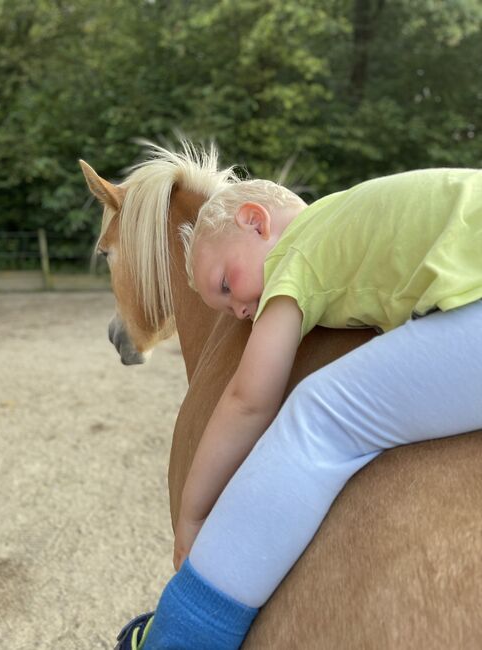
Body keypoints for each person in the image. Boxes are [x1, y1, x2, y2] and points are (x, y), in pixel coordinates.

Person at [115, 169, 482, 649]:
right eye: (224, 310)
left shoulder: (296, 254)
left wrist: (192, 515)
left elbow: (249, 400)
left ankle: (181, 634)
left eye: (225, 284)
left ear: (255, 223)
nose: (240, 312)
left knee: (319, 415)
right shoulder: (348, 222)